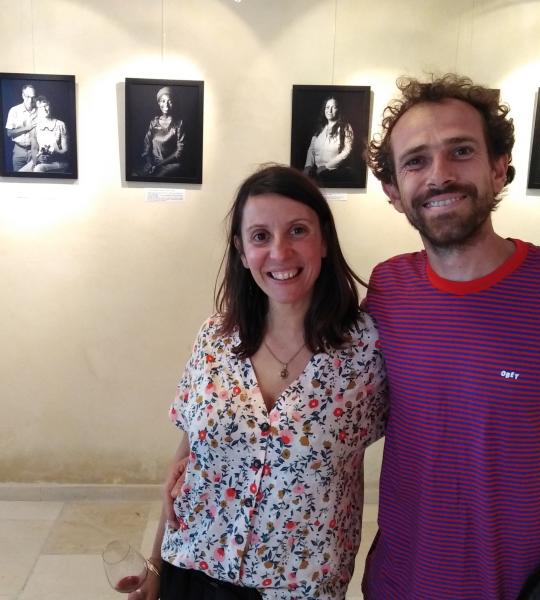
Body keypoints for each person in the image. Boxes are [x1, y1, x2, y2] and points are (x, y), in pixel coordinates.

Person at [362, 74, 540, 599]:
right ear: (393, 191)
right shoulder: (388, 287)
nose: (439, 175)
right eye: (415, 161)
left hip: (527, 587)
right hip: (401, 583)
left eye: (460, 151)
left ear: (499, 167)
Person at [138, 165, 387, 600]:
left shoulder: (368, 350)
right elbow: (185, 462)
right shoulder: (214, 339)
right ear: (240, 249)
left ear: (324, 239)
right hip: (194, 569)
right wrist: (154, 566)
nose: (279, 252)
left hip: (298, 586)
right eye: (260, 236)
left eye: (297, 231)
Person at [135, 87, 186, 178]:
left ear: (173, 102)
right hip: (151, 163)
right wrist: (150, 163)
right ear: (158, 103)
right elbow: (146, 147)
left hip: (169, 164)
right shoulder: (153, 122)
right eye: (162, 101)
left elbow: (179, 152)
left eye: (169, 101)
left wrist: (158, 165)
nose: (166, 104)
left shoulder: (179, 124)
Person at [303, 96, 355, 185]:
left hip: (335, 174)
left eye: (333, 107)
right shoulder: (320, 128)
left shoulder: (345, 127)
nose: (329, 111)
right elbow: (311, 149)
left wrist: (326, 166)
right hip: (317, 174)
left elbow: (347, 150)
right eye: (327, 107)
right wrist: (308, 166)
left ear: (338, 110)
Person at [19, 96, 69, 173]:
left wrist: (55, 151)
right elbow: (34, 148)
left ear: (50, 106)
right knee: (20, 173)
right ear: (37, 110)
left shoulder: (60, 124)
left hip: (58, 161)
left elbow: (66, 150)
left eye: (46, 106)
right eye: (41, 107)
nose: (44, 109)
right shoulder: (35, 126)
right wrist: (37, 159)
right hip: (40, 161)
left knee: (38, 170)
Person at [5, 83, 37, 172]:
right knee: (18, 181)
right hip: (19, 150)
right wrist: (27, 128)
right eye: (27, 96)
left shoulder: (39, 110)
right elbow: (9, 133)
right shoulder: (14, 110)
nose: (30, 100)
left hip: (34, 150)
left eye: (32, 97)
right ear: (23, 95)